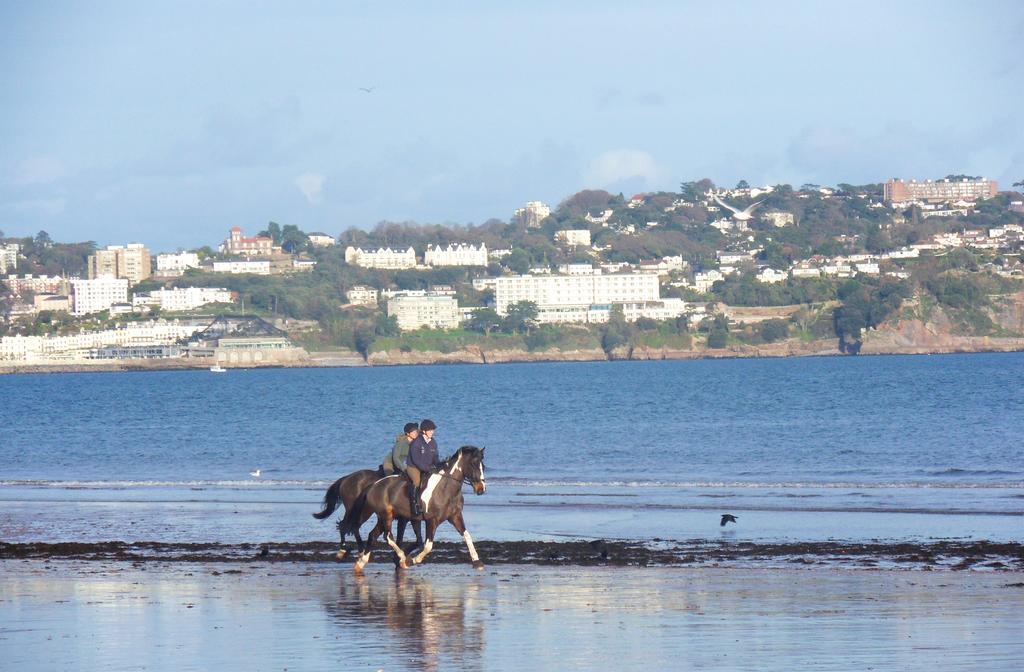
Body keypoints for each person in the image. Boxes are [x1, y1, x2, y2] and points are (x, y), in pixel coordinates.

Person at [406, 418, 441, 516]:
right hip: (413, 467)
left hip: (427, 467)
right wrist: (427, 469)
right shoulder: (416, 442)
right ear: (424, 431)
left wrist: (438, 466)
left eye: (433, 430)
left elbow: (435, 457)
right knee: (417, 481)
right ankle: (414, 506)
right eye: (430, 430)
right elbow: (416, 460)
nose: (432, 432)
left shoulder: (433, 442)